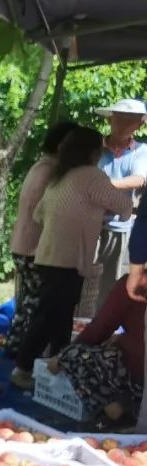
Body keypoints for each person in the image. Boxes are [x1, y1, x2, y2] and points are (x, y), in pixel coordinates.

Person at [11, 126, 133, 389]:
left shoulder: (61, 175)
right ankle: (22, 368)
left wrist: (87, 214)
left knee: (60, 314)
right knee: (48, 316)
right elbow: (123, 206)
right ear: (92, 152)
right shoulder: (92, 176)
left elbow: (39, 214)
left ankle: (60, 363)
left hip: (48, 256)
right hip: (69, 259)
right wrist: (102, 215)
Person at [6, 122, 78, 357]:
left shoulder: (41, 165)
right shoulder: (52, 172)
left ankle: (16, 346)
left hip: (23, 243)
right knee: (36, 304)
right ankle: (24, 352)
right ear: (63, 146)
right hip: (34, 247)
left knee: (27, 301)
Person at [81, 98, 147, 314]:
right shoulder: (93, 148)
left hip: (119, 226)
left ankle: (102, 323)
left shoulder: (142, 151)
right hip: (87, 223)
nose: (124, 124)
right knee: (82, 278)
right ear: (110, 120)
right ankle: (80, 320)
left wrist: (103, 184)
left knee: (111, 283)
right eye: (120, 118)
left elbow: (139, 179)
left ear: (140, 124)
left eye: (131, 120)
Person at [51, 275, 144, 422]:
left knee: (73, 356)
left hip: (138, 375)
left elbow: (100, 328)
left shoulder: (134, 283)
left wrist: (62, 356)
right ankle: (129, 404)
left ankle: (113, 407)